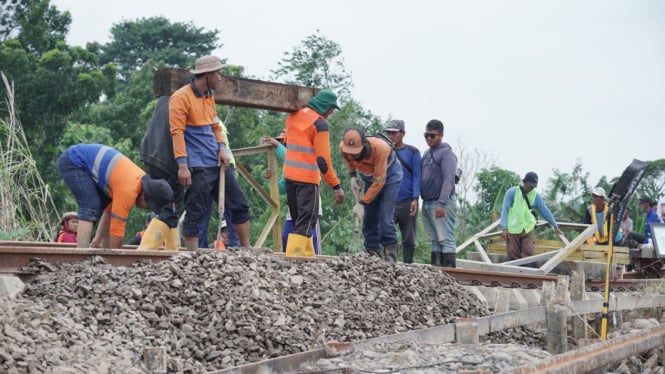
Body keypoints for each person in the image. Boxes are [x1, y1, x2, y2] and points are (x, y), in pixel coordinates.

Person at [169, 55, 250, 251]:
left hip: (216, 161)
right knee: (195, 211)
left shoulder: (209, 96)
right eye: (218, 74)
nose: (220, 78)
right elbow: (177, 132)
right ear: (207, 75)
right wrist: (182, 165)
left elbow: (215, 125)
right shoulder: (180, 98)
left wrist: (222, 147)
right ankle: (192, 255)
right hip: (197, 165)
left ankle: (247, 251)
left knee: (239, 204)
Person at [57, 143, 173, 249]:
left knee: (102, 204)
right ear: (145, 196)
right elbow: (116, 231)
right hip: (74, 161)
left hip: (82, 160)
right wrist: (118, 259)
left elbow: (108, 212)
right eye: (148, 206)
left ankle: (103, 252)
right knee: (90, 206)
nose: (145, 209)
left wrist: (97, 240)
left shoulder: (137, 183)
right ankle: (81, 255)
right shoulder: (128, 191)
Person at [283, 89, 345, 256]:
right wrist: (336, 185)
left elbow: (288, 143)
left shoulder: (292, 117)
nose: (331, 113)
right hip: (307, 180)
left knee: (300, 222)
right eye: (332, 109)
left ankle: (308, 257)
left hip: (290, 178)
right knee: (306, 222)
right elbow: (323, 160)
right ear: (327, 106)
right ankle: (295, 259)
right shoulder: (320, 124)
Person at [340, 127, 403, 262]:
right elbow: (348, 160)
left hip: (389, 178)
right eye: (350, 153)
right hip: (369, 178)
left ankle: (390, 260)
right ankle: (373, 256)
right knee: (368, 221)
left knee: (385, 219)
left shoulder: (380, 149)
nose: (353, 156)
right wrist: (352, 176)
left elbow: (379, 182)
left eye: (356, 153)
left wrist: (362, 203)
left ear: (364, 145)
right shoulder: (344, 148)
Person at [263, 130, 323, 254]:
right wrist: (271, 179)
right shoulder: (288, 165)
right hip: (295, 207)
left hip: (310, 207)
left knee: (310, 237)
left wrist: (276, 145)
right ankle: (292, 262)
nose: (284, 144)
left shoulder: (302, 156)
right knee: (287, 236)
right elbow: (282, 188)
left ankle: (314, 264)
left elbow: (289, 156)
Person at [198, 121, 250, 248]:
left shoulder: (213, 120)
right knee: (201, 209)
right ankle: (199, 248)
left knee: (232, 208)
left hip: (222, 165)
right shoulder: (203, 118)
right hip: (209, 165)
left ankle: (236, 246)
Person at [420, 119, 458, 267]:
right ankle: (437, 275)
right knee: (435, 240)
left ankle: (449, 273)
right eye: (426, 135)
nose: (429, 138)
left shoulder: (447, 154)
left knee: (446, 238)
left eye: (432, 135)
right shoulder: (427, 153)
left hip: (441, 202)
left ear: (441, 135)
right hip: (428, 201)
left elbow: (449, 180)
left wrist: (442, 203)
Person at [500, 171, 562, 260]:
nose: (530, 188)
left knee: (528, 253)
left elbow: (545, 211)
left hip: (527, 228)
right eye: (528, 185)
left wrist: (554, 225)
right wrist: (504, 228)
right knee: (513, 254)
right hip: (513, 229)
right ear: (523, 182)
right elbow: (505, 210)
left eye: (532, 186)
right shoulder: (512, 192)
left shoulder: (536, 196)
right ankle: (514, 273)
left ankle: (526, 272)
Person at [384, 119, 421, 263]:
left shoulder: (412, 152)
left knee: (409, 237)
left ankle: (408, 265)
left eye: (394, 132)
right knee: (387, 233)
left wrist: (415, 199)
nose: (391, 135)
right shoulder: (385, 151)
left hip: (407, 201)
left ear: (402, 133)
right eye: (388, 133)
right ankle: (388, 264)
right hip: (389, 201)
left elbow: (417, 176)